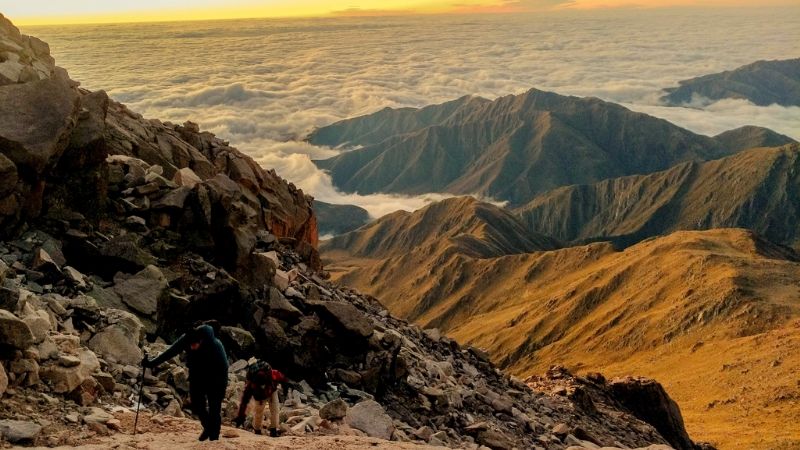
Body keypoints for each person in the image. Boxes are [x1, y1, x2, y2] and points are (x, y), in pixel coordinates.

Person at [143, 324, 229, 441]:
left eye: (195, 345)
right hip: (197, 374)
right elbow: (170, 352)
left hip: (217, 375)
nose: (192, 347)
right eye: (190, 345)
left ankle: (214, 437)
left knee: (215, 406)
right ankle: (208, 427)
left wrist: (220, 386)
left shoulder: (214, 345)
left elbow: (224, 367)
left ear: (201, 341)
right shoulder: (186, 339)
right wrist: (150, 363)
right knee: (197, 404)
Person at [233, 360, 286, 437]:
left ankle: (273, 430)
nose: (263, 387)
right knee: (259, 411)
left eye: (264, 385)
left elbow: (282, 377)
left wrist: (286, 387)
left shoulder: (272, 374)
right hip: (259, 396)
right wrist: (240, 416)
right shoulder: (251, 385)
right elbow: (244, 400)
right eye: (261, 386)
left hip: (272, 391)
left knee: (275, 409)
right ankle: (257, 429)